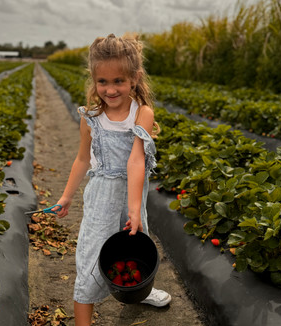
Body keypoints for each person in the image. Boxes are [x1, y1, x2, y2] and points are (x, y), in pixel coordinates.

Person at [53, 33, 171, 326]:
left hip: (132, 193)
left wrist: (133, 208)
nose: (110, 89)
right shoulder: (91, 116)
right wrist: (66, 196)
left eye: (118, 81)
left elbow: (135, 160)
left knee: (134, 246)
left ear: (134, 78)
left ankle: (139, 292)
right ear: (94, 80)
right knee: (93, 256)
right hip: (102, 196)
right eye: (102, 82)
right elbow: (82, 159)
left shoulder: (141, 113)